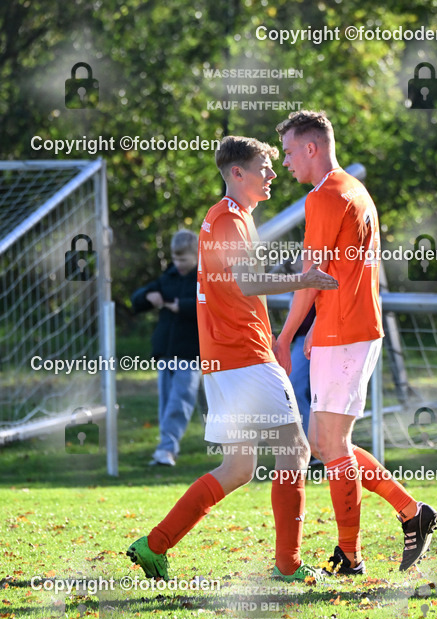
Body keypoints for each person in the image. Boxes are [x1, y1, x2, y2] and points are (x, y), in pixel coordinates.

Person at [126, 135, 339, 584]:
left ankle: (155, 544)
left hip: (225, 361)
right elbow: (246, 283)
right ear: (237, 173)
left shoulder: (229, 216)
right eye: (264, 166)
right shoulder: (228, 219)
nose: (273, 174)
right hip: (244, 356)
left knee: (239, 467)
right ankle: (289, 565)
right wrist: (304, 279)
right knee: (296, 450)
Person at [272, 110, 437, 575]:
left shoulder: (325, 195)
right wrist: (317, 332)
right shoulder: (354, 189)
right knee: (330, 444)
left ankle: (355, 552)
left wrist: (286, 335)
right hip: (343, 330)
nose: (285, 163)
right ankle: (408, 515)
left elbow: (311, 277)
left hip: (346, 333)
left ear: (311, 148)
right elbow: (333, 276)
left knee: (331, 443)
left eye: (288, 152)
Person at [130, 229, 202, 467]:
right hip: (166, 353)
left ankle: (167, 449)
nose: (178, 264)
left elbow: (208, 307)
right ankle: (167, 447)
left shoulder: (205, 278)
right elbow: (137, 298)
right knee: (168, 402)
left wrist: (180, 306)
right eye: (175, 258)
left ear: (196, 255)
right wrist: (148, 297)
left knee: (180, 402)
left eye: (183, 259)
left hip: (192, 353)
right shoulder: (168, 277)